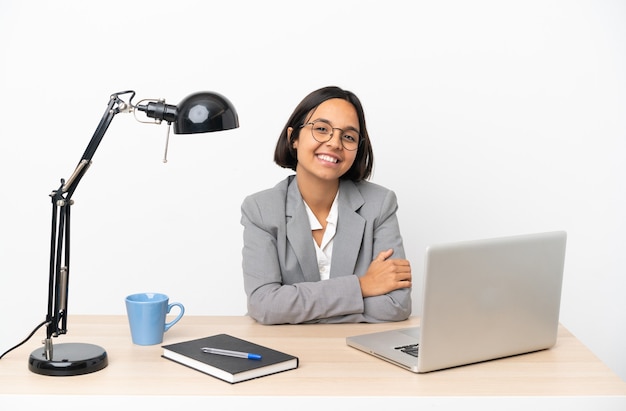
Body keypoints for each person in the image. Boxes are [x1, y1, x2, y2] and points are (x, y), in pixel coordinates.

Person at [241, 86, 412, 324]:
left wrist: (295, 308)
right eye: (321, 129)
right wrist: (362, 286)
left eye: (349, 136)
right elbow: (265, 305)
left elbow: (395, 306)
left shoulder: (380, 205)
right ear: (294, 138)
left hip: (357, 352)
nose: (334, 143)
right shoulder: (261, 209)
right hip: (284, 350)